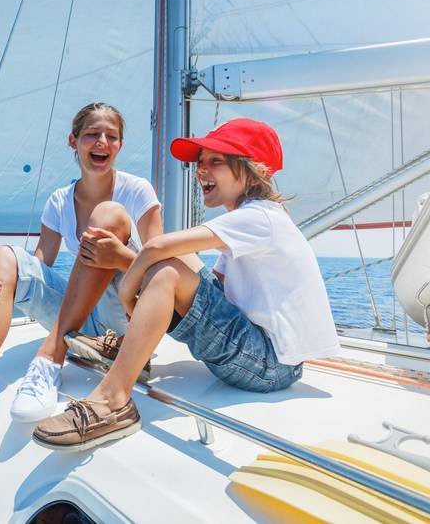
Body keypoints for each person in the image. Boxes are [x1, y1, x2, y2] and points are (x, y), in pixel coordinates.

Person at [0, 102, 176, 491]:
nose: (102, 142)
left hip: (127, 317)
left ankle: (50, 358)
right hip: (83, 320)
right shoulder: (59, 202)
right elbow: (39, 266)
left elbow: (161, 271)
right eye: (91, 135)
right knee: (4, 258)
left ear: (120, 145)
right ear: (74, 142)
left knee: (108, 218)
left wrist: (118, 258)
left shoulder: (136, 191)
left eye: (111, 137)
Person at [32, 118, 340, 451]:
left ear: (252, 170)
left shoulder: (260, 217)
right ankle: (129, 351)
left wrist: (127, 290)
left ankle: (112, 401)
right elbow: (209, 287)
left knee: (168, 269)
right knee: (183, 264)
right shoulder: (256, 219)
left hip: (269, 365)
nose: (201, 170)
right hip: (265, 357)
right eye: (200, 162)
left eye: (215, 161)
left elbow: (155, 248)